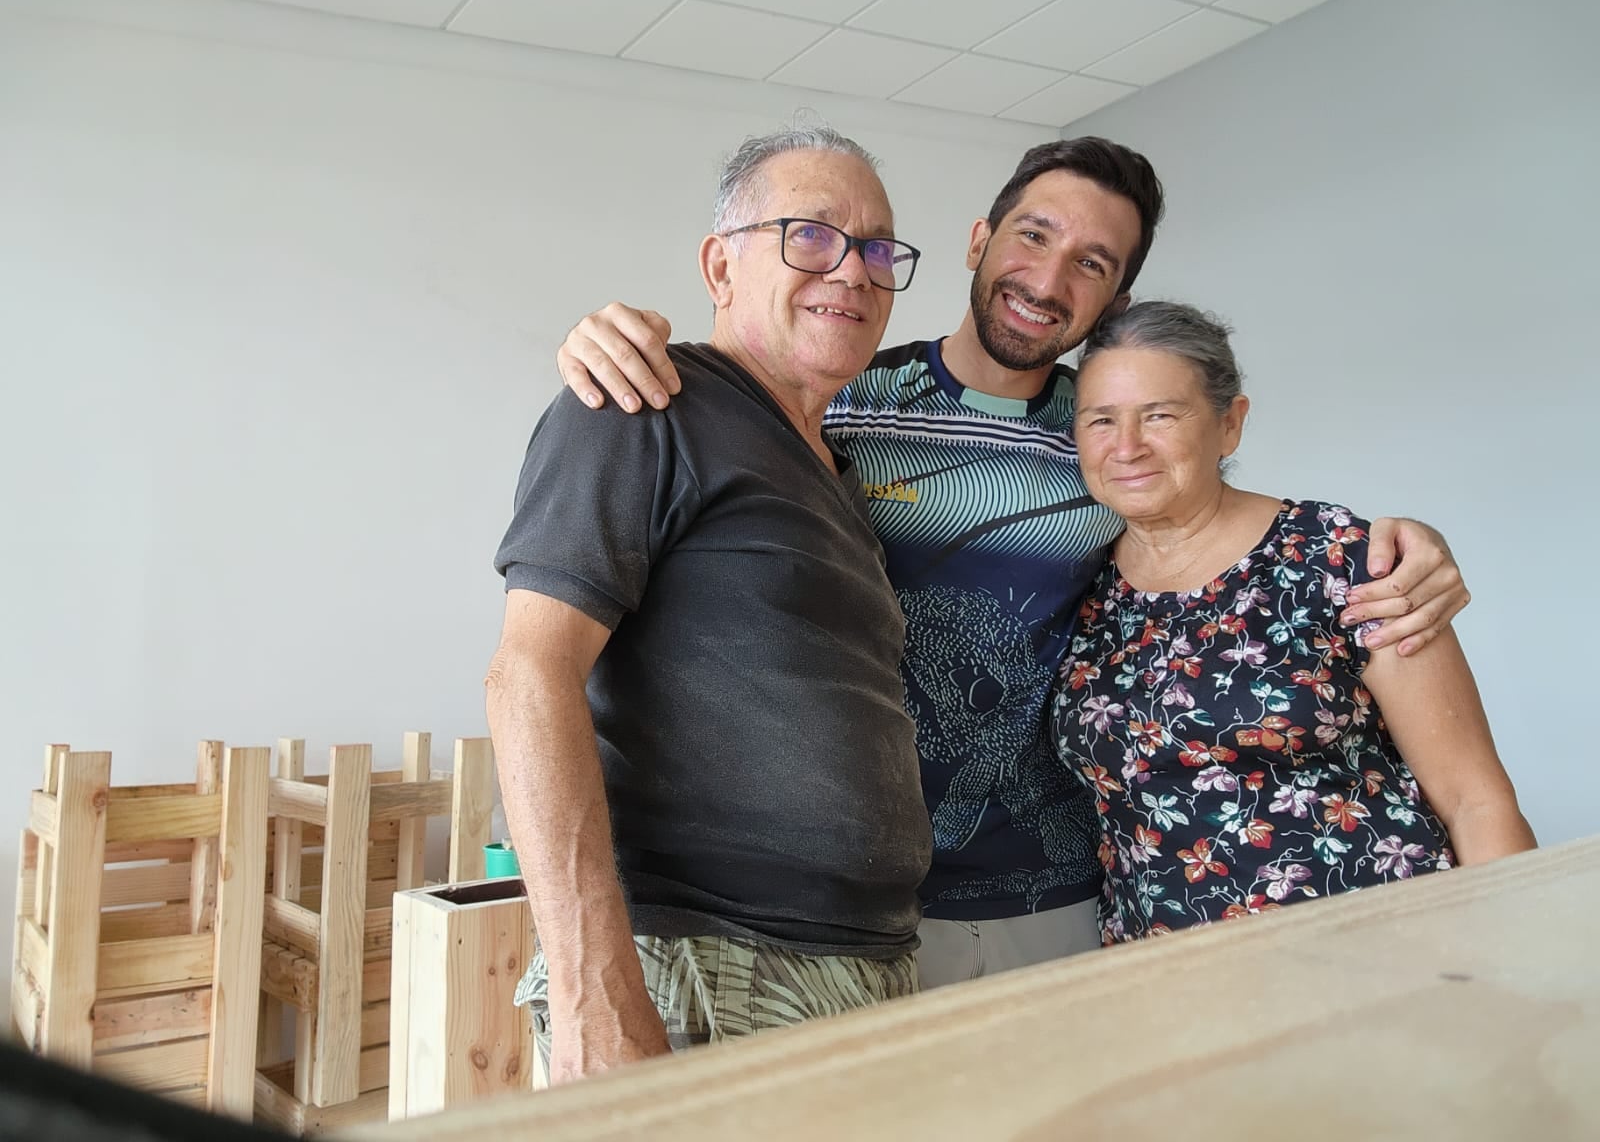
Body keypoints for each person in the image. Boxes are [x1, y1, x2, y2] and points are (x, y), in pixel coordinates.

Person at [550, 137, 1473, 987]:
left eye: (1093, 264)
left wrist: (1396, 542)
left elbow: (1214, 534)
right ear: (979, 239)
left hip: (1060, 888)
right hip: (846, 905)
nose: (1047, 278)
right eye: (1033, 236)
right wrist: (604, 340)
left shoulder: (1101, 435)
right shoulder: (838, 397)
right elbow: (714, 416)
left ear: (1111, 301)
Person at [485, 124, 932, 1084]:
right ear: (718, 266)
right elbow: (527, 675)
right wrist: (591, 992)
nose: (851, 272)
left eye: (878, 250)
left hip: (855, 968)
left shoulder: (835, 468)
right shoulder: (641, 403)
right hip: (701, 967)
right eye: (810, 235)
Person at [1054, 301, 1535, 941]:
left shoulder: (1345, 559)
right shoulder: (1078, 585)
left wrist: (1522, 958)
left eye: (1161, 416)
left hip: (1388, 955)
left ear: (1231, 425)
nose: (1127, 447)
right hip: (1169, 989)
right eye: (1101, 420)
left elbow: (1475, 799)